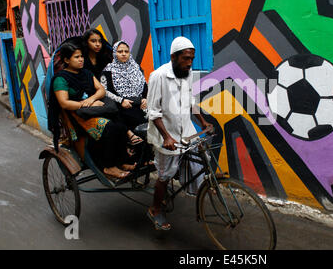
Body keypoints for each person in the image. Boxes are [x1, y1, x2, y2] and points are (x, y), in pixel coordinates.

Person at [146, 36, 213, 230]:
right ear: (174, 57)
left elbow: (190, 101)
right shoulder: (158, 76)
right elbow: (153, 112)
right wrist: (167, 137)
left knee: (201, 155)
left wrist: (202, 122)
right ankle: (155, 209)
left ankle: (197, 189)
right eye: (185, 58)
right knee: (164, 175)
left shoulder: (187, 72)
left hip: (186, 129)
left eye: (192, 58)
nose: (189, 62)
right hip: (165, 135)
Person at [47, 42, 133, 179]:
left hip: (93, 108)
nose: (81, 59)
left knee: (121, 124)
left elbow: (101, 90)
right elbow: (64, 103)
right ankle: (109, 167)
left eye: (81, 56)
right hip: (77, 116)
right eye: (76, 57)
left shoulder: (86, 72)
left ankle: (122, 162)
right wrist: (86, 105)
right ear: (66, 60)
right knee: (110, 127)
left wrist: (91, 100)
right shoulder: (60, 79)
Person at [100, 40, 147, 145]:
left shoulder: (136, 68)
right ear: (114, 53)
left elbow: (144, 85)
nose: (124, 54)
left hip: (140, 104)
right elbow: (105, 91)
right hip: (121, 106)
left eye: (126, 51)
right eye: (120, 51)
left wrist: (145, 99)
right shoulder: (108, 71)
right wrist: (121, 100)